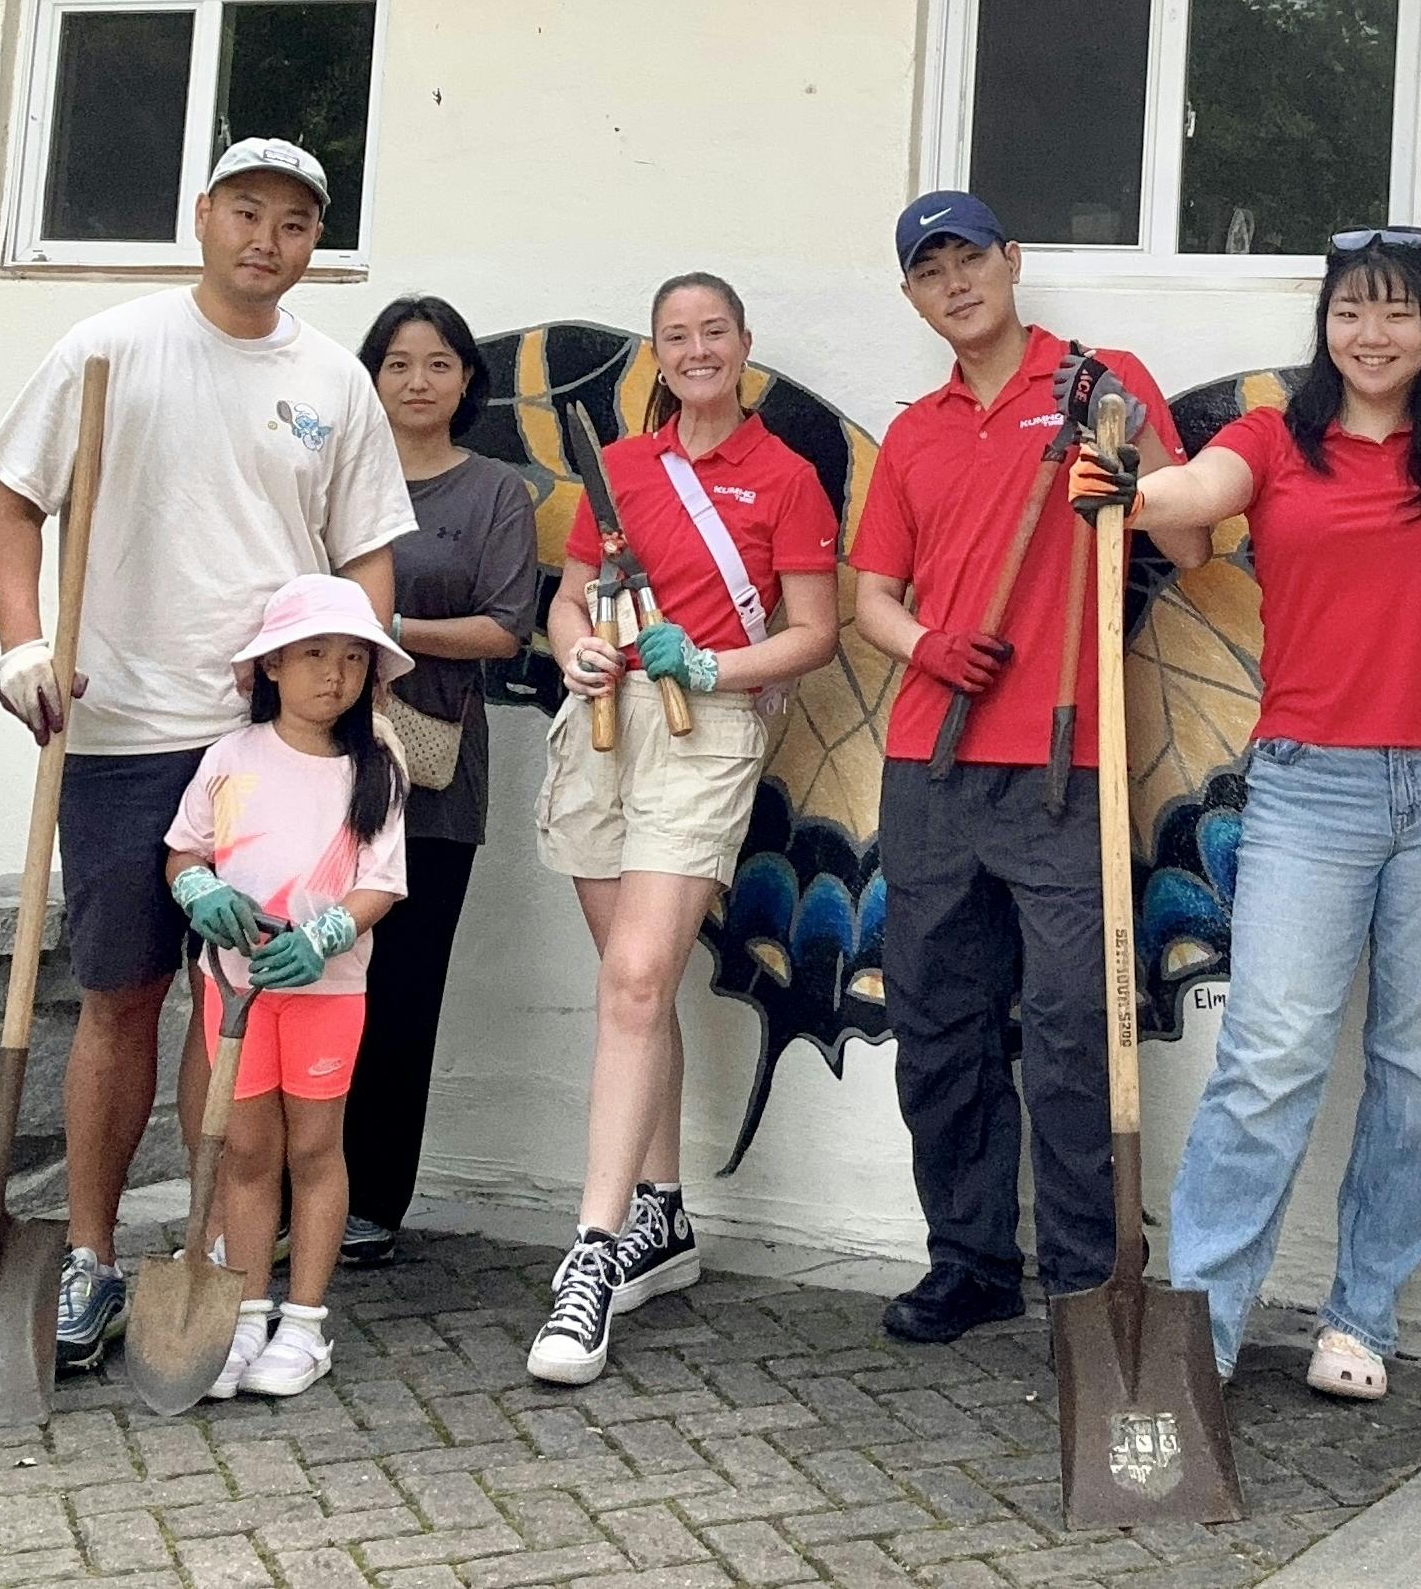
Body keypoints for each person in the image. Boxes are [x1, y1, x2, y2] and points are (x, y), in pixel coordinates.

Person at [1068, 227, 1421, 1396]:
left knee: (1420, 1072)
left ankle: (1362, 1313)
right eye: (1352, 310)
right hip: (1311, 786)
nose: (1373, 333)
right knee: (1268, 1057)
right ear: (1326, 325)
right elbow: (1197, 494)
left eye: (1398, 313)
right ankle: (1195, 1327)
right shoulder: (1274, 441)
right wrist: (1133, 486)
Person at [0, 137, 411, 1374]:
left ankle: (217, 1258)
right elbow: (13, 502)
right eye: (247, 212)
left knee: (234, 1004)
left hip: (283, 736)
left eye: (293, 224)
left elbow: (366, 550)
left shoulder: (334, 377)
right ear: (204, 216)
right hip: (121, 722)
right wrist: (21, 645)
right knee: (121, 992)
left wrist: (364, 694)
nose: (265, 240)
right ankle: (92, 1256)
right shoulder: (108, 349)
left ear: (312, 244)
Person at [849, 193, 1185, 1344]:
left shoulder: (1096, 380)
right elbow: (871, 600)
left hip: (1065, 765)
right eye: (928, 269)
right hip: (929, 764)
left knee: (1071, 1027)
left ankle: (1089, 1281)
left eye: (969, 258)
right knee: (939, 1025)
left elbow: (1187, 539)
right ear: (912, 294)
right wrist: (927, 645)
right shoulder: (914, 432)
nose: (954, 282)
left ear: (1013, 259)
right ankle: (971, 1259)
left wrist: (1123, 462)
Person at [528, 272, 842, 1384]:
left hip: (707, 732)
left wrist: (711, 664)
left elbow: (814, 632)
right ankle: (661, 1212)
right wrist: (577, 644)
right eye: (678, 335)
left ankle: (591, 1253)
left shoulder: (789, 479)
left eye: (716, 331)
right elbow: (571, 593)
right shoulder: (616, 468)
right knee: (635, 984)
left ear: (744, 345)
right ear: (655, 355)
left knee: (635, 977)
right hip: (606, 726)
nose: (698, 349)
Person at [161, 574, 410, 1397]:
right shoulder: (230, 758)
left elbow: (382, 882)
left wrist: (325, 936)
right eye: (311, 656)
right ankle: (241, 1314)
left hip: (326, 995)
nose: (331, 676)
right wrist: (202, 896)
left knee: (313, 1148)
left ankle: (303, 1325)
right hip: (234, 992)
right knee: (247, 1149)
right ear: (270, 666)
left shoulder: (377, 767)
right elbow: (183, 853)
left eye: (350, 659)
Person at [338, 295, 541, 1269]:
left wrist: (378, 628)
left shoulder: (496, 491)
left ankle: (374, 1198)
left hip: (431, 774)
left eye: (438, 363)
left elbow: (506, 628)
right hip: (321, 768)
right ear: (371, 376)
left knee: (401, 989)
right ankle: (298, 1184)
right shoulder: (339, 478)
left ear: (467, 380)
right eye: (397, 363)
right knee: (318, 979)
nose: (417, 381)